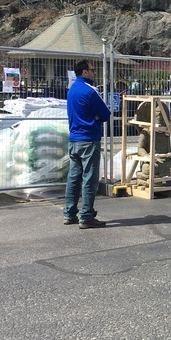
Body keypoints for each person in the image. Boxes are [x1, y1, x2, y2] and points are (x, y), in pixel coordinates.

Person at [64, 60, 111, 229]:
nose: (94, 73)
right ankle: (86, 215)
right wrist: (96, 117)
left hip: (74, 139)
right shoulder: (90, 91)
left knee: (74, 178)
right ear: (84, 72)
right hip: (89, 139)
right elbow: (106, 114)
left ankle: (69, 213)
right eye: (92, 70)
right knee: (90, 179)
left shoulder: (72, 90)